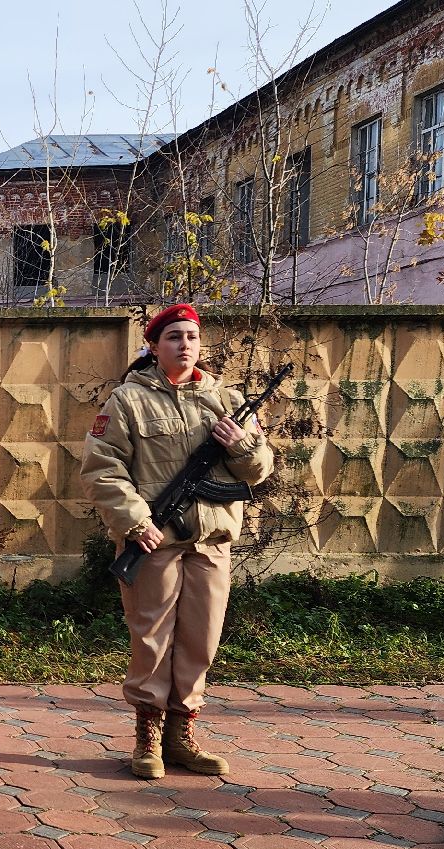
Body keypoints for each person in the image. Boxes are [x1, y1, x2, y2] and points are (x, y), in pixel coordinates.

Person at [81, 304, 276, 779]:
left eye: (191, 336)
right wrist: (134, 522)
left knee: (201, 639)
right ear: (153, 345)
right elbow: (102, 469)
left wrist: (241, 445)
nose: (184, 344)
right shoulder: (128, 401)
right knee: (152, 639)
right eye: (173, 337)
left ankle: (181, 735)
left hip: (210, 541)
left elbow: (259, 470)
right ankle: (147, 737)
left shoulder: (226, 400)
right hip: (154, 542)